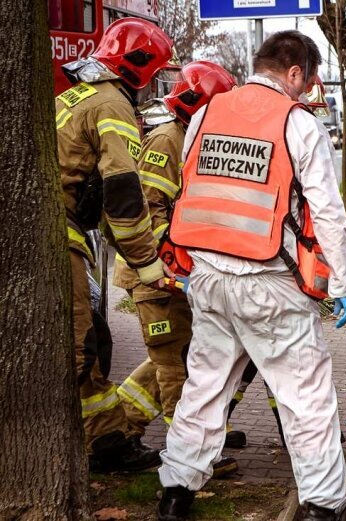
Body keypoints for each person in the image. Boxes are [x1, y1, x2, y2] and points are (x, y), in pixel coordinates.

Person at [156, 30, 346, 521]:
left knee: (203, 391)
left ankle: (175, 497)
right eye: (307, 83)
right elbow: (329, 214)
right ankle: (321, 508)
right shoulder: (298, 124)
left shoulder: (206, 113)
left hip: (206, 278)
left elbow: (195, 186)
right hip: (268, 284)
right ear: (294, 74)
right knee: (305, 400)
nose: (306, 94)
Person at [57, 17, 178, 472]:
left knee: (90, 340)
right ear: (141, 68)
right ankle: (87, 447)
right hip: (61, 234)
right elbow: (123, 198)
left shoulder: (81, 95)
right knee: (78, 344)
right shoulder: (113, 107)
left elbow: (107, 207)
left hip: (67, 232)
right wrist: (149, 264)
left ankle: (106, 442)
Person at [112, 60, 240, 476]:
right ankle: (190, 453)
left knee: (167, 354)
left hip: (175, 274)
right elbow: (150, 211)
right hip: (154, 274)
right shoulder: (168, 140)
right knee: (174, 363)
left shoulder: (190, 135)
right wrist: (179, 263)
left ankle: (116, 430)